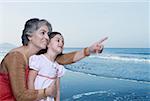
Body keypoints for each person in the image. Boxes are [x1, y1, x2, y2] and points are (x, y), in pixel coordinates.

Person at [0, 18, 107, 101]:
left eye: (48, 34)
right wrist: (47, 92)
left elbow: (64, 58)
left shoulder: (37, 57)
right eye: (43, 33)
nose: (47, 37)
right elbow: (21, 96)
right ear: (29, 36)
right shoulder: (16, 57)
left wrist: (90, 50)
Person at [28, 32, 66, 101]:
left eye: (63, 41)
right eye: (58, 40)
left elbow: (57, 90)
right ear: (48, 44)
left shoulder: (58, 67)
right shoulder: (38, 60)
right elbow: (30, 80)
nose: (61, 43)